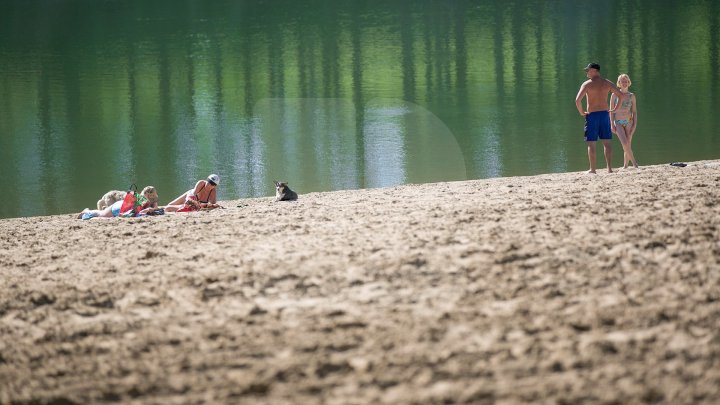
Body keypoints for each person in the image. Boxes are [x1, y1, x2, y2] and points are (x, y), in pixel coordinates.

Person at [575, 62, 625, 174]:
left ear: (595, 71)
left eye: (588, 70)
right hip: (604, 115)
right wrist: (615, 109)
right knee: (607, 143)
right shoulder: (607, 83)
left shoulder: (587, 84)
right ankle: (609, 169)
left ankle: (593, 170)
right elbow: (621, 96)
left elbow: (577, 100)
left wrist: (582, 112)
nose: (587, 72)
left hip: (592, 115)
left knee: (591, 143)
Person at [610, 73, 638, 169]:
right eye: (622, 81)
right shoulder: (614, 95)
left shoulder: (632, 96)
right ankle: (635, 164)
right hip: (618, 123)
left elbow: (634, 112)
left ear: (628, 82)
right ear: (619, 83)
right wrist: (611, 124)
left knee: (628, 144)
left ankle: (625, 165)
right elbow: (611, 111)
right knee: (624, 143)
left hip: (629, 122)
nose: (624, 83)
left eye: (626, 81)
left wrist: (634, 124)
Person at [78, 186, 159, 219]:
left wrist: (150, 209)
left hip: (120, 206)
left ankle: (87, 212)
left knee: (101, 214)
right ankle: (86, 211)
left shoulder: (141, 197)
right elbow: (131, 211)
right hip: (120, 207)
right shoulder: (141, 199)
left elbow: (155, 207)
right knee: (101, 214)